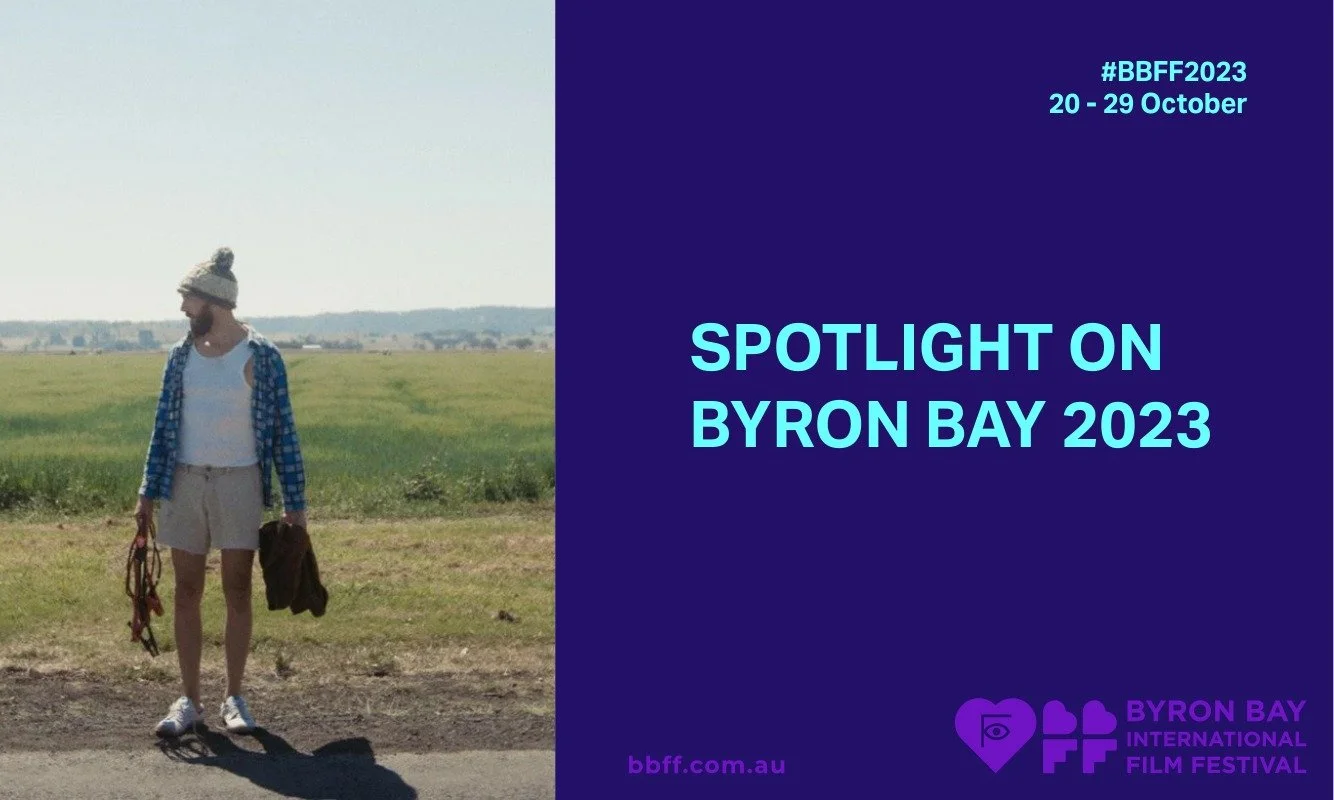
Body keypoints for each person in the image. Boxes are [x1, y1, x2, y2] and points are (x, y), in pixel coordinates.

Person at [135, 247, 309, 737]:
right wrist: (147, 492)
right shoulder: (179, 356)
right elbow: (161, 429)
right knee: (186, 590)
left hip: (241, 482)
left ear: (214, 302)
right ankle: (188, 701)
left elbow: (284, 436)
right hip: (184, 482)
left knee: (237, 589)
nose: (182, 310)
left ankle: (235, 697)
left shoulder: (263, 357)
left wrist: (295, 507)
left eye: (188, 300)